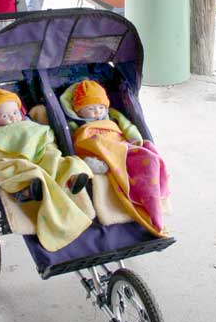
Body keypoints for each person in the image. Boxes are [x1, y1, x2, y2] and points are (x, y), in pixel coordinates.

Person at [0, 88, 93, 251]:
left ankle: (71, 179)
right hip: (17, 160)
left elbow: (43, 134)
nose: (13, 117)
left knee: (61, 160)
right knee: (18, 169)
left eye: (15, 112)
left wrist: (46, 142)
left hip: (39, 154)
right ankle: (27, 191)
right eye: (5, 116)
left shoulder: (29, 124)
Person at [60, 80, 170, 237]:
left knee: (149, 155)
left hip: (120, 145)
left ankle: (152, 204)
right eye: (90, 108)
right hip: (98, 148)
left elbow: (128, 126)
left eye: (101, 107)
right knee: (89, 152)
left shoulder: (112, 116)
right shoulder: (75, 124)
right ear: (78, 110)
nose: (97, 112)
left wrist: (134, 138)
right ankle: (94, 163)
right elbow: (76, 142)